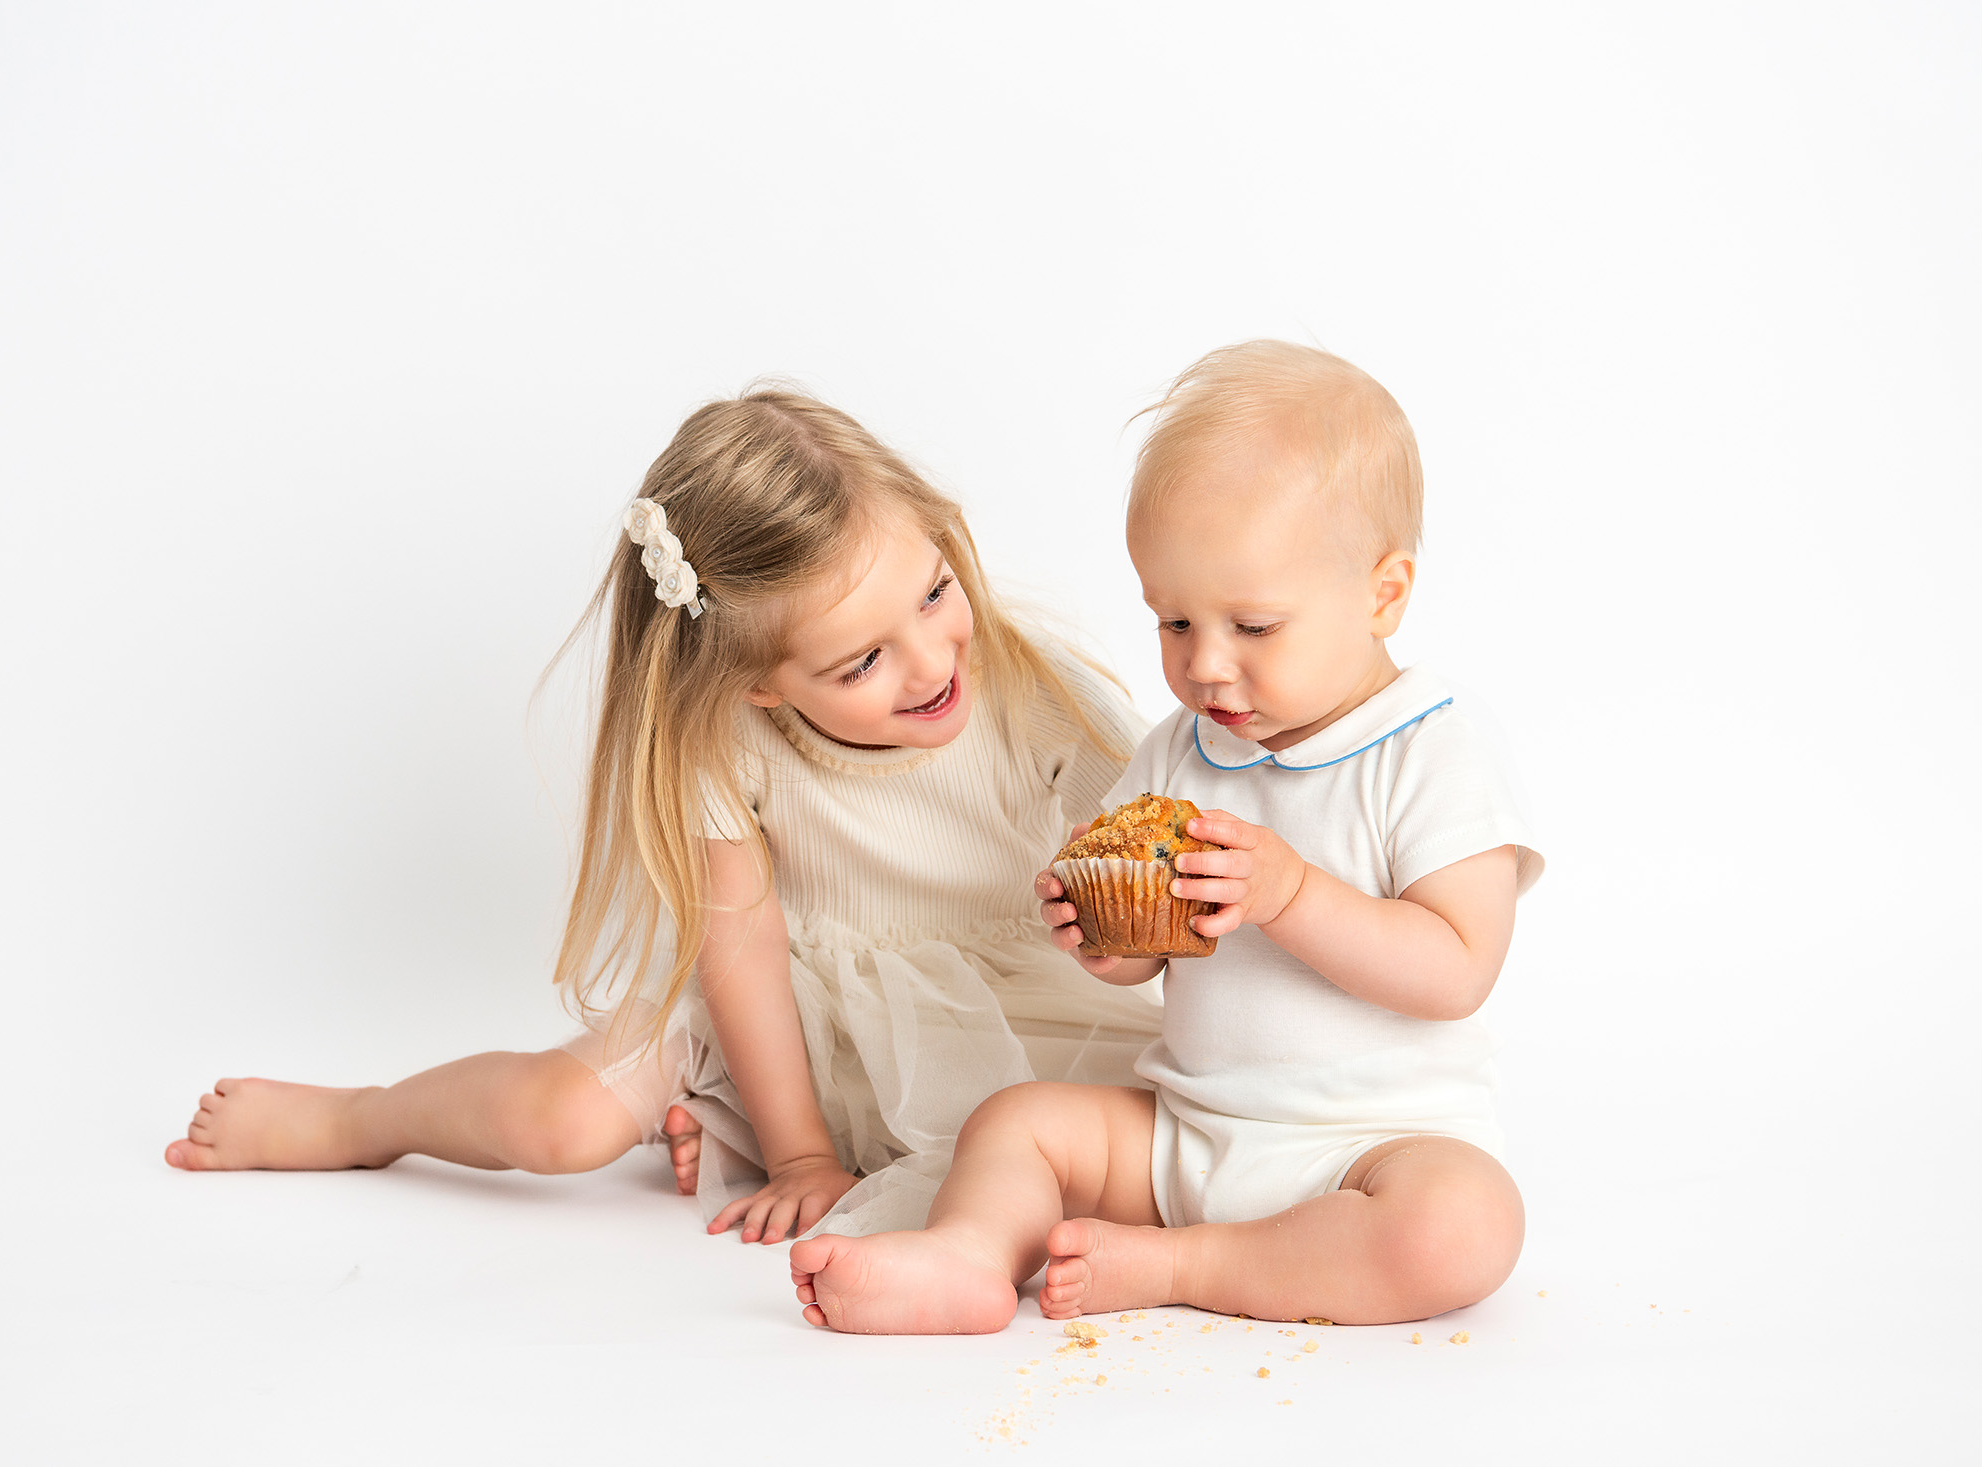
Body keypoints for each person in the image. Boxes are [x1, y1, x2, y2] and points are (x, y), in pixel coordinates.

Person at [167, 388, 1162, 1244]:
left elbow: (1144, 856)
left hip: (1003, 1005)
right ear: (757, 686)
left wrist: (1110, 930)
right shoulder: (727, 742)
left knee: (1156, 1142)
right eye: (859, 662)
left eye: (934, 592)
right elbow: (742, 952)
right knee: (562, 1122)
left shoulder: (1032, 692)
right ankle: (364, 1121)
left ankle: (713, 1127)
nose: (931, 660)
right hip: (772, 1016)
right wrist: (799, 1154)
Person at [789, 341, 1544, 1328]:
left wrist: (1291, 895)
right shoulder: (1177, 752)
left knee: (1465, 1226)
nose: (1205, 667)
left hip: (1364, 1148)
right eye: (1173, 623)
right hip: (1182, 1132)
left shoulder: (1432, 748)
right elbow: (1150, 964)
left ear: (1382, 593)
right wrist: (1101, 938)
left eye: (1253, 627)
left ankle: (1183, 1266)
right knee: (1016, 1122)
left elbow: (1455, 969)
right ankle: (964, 1257)